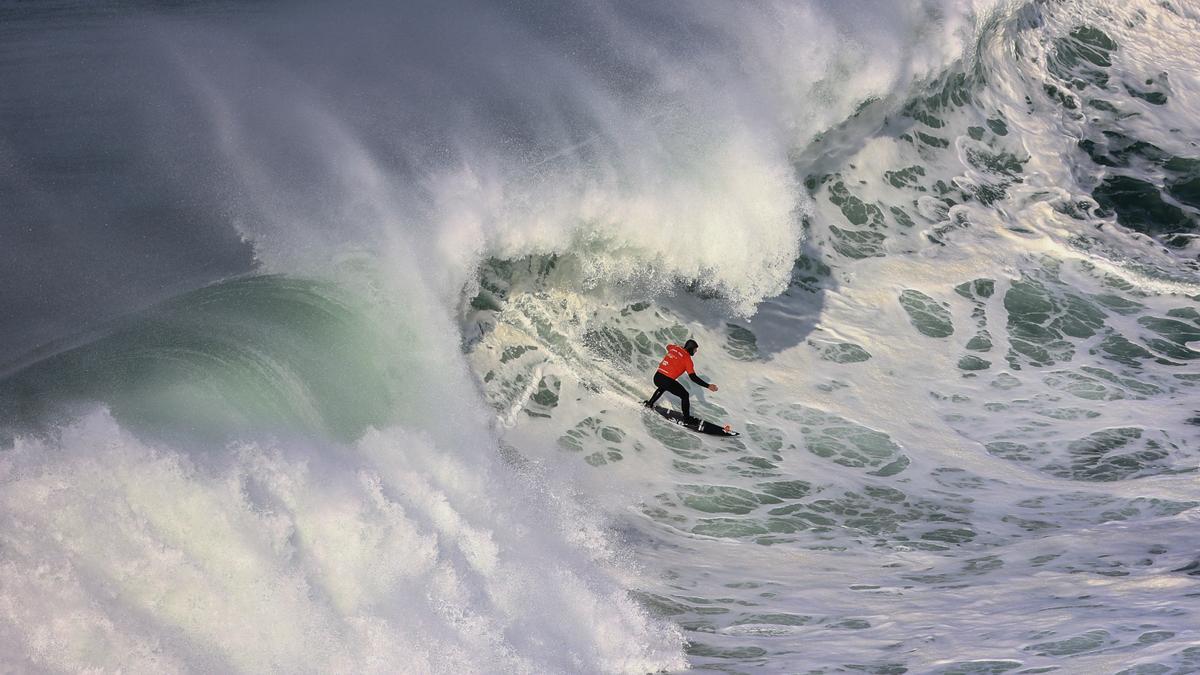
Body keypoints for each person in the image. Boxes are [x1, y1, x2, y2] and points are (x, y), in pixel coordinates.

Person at [643, 338, 717, 425]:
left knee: (663, 387)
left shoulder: (674, 348)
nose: (695, 351)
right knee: (685, 395)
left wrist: (678, 350)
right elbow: (693, 377)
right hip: (667, 380)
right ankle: (687, 419)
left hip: (657, 377)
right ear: (690, 349)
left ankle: (650, 403)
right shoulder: (687, 360)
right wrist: (708, 386)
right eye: (695, 349)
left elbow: (668, 346)